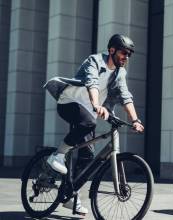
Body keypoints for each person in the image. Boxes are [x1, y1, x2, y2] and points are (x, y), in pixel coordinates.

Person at [44, 34, 144, 215]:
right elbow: (92, 82)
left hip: (89, 112)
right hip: (69, 103)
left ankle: (69, 195)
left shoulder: (120, 72)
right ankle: (57, 155)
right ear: (112, 50)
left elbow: (125, 95)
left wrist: (135, 120)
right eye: (123, 52)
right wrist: (97, 104)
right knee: (89, 122)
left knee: (87, 157)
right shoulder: (95, 61)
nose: (126, 57)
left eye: (129, 54)